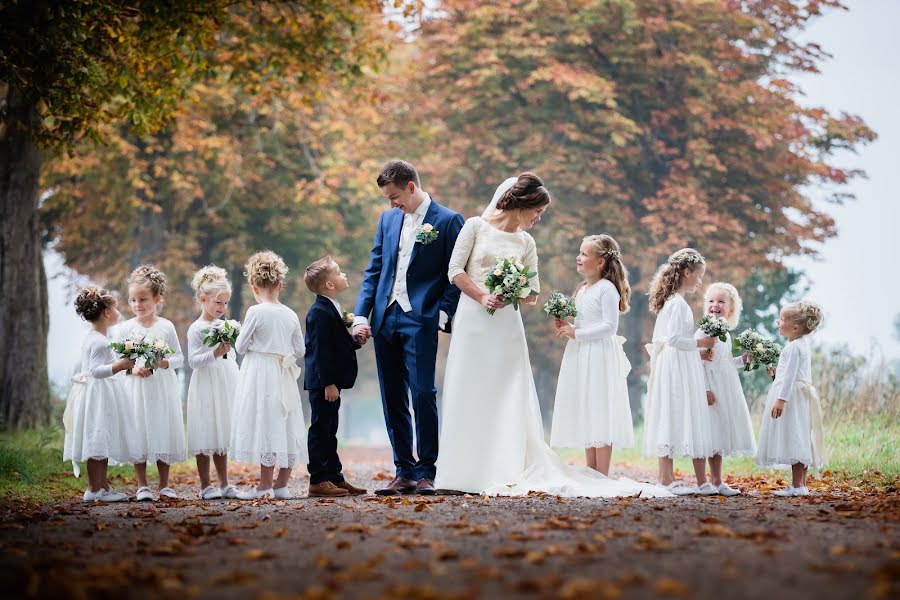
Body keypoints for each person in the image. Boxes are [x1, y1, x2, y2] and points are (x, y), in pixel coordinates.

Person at [434, 174, 670, 498]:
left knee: (506, 390)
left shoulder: (526, 242)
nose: (538, 218)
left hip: (506, 323)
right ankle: (461, 471)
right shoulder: (475, 226)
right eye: (538, 211)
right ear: (523, 204)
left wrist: (513, 292)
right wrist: (482, 296)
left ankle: (505, 466)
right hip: (474, 318)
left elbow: (532, 291)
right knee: (469, 387)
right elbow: (454, 270)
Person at [352, 160, 464, 495]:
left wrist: (443, 312)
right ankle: (404, 471)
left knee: (423, 392)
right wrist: (361, 315)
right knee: (393, 397)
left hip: (422, 317)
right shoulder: (387, 220)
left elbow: (457, 272)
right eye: (388, 199)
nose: (391, 204)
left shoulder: (447, 220)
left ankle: (428, 470)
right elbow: (374, 269)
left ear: (412, 187)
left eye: (395, 196)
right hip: (385, 318)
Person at [550, 234, 635, 476]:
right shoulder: (583, 289)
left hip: (598, 353)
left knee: (599, 406)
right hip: (581, 353)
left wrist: (577, 333)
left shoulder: (607, 289)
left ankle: (603, 473)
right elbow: (583, 321)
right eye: (580, 252)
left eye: (585, 254)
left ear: (600, 263)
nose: (579, 257)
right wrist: (566, 326)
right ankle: (591, 472)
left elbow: (610, 326)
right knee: (586, 405)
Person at [230, 251, 307, 500]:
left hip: (259, 373)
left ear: (254, 287)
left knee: (265, 422)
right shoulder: (290, 314)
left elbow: (240, 347)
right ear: (280, 285)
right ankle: (281, 485)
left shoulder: (255, 312)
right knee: (284, 422)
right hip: (282, 372)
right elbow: (300, 350)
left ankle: (264, 485)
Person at [642, 249, 717, 495]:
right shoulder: (678, 305)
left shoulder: (672, 302)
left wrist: (697, 352)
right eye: (699, 276)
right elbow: (674, 339)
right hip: (674, 366)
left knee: (669, 413)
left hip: (672, 363)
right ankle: (665, 479)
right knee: (672, 413)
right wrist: (701, 344)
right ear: (687, 272)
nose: (700, 282)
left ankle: (666, 476)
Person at [115, 265, 185, 501]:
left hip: (161, 388)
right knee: (139, 430)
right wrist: (133, 367)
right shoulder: (126, 328)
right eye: (133, 300)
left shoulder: (166, 326)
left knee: (162, 428)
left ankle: (165, 485)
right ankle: (142, 485)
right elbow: (119, 361)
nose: (137, 305)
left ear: (157, 298)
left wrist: (163, 363)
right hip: (136, 388)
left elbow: (179, 357)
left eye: (143, 299)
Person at [64, 285, 139, 502]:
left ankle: (102, 486)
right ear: (107, 312)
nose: (119, 312)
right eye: (115, 308)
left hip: (100, 393)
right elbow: (96, 371)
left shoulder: (96, 337)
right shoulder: (98, 341)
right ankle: (93, 488)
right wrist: (121, 365)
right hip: (98, 395)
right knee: (97, 438)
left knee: (102, 439)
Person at [303, 256, 366, 498]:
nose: (344, 276)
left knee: (330, 430)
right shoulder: (319, 311)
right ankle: (318, 479)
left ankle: (334, 477)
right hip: (323, 382)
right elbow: (321, 350)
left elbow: (334, 345)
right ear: (329, 285)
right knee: (321, 429)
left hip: (330, 381)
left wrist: (354, 342)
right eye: (339, 273)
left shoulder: (330, 308)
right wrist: (328, 382)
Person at [757, 301, 826, 497]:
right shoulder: (801, 344)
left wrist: (781, 399)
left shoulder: (794, 347)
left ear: (795, 328)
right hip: (799, 395)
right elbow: (791, 373)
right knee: (801, 436)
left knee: (794, 437)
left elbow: (790, 377)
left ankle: (797, 486)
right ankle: (801, 484)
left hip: (791, 398)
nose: (778, 322)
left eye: (782, 319)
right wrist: (775, 374)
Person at [693, 282, 757, 496]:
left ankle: (718, 481)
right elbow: (697, 363)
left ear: (730, 308)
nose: (715, 305)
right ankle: (702, 482)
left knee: (717, 435)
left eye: (721, 301)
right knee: (704, 434)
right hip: (707, 387)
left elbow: (726, 361)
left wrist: (743, 359)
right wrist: (705, 389)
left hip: (724, 387)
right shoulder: (703, 331)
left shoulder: (725, 334)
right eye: (711, 301)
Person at [185, 265, 240, 500]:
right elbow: (194, 361)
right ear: (203, 299)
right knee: (206, 430)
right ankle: (206, 485)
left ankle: (225, 483)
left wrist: (227, 351)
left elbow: (231, 354)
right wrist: (216, 353)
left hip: (223, 382)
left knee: (221, 431)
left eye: (226, 303)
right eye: (218, 303)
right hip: (206, 384)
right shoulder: (196, 328)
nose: (222, 308)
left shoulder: (224, 326)